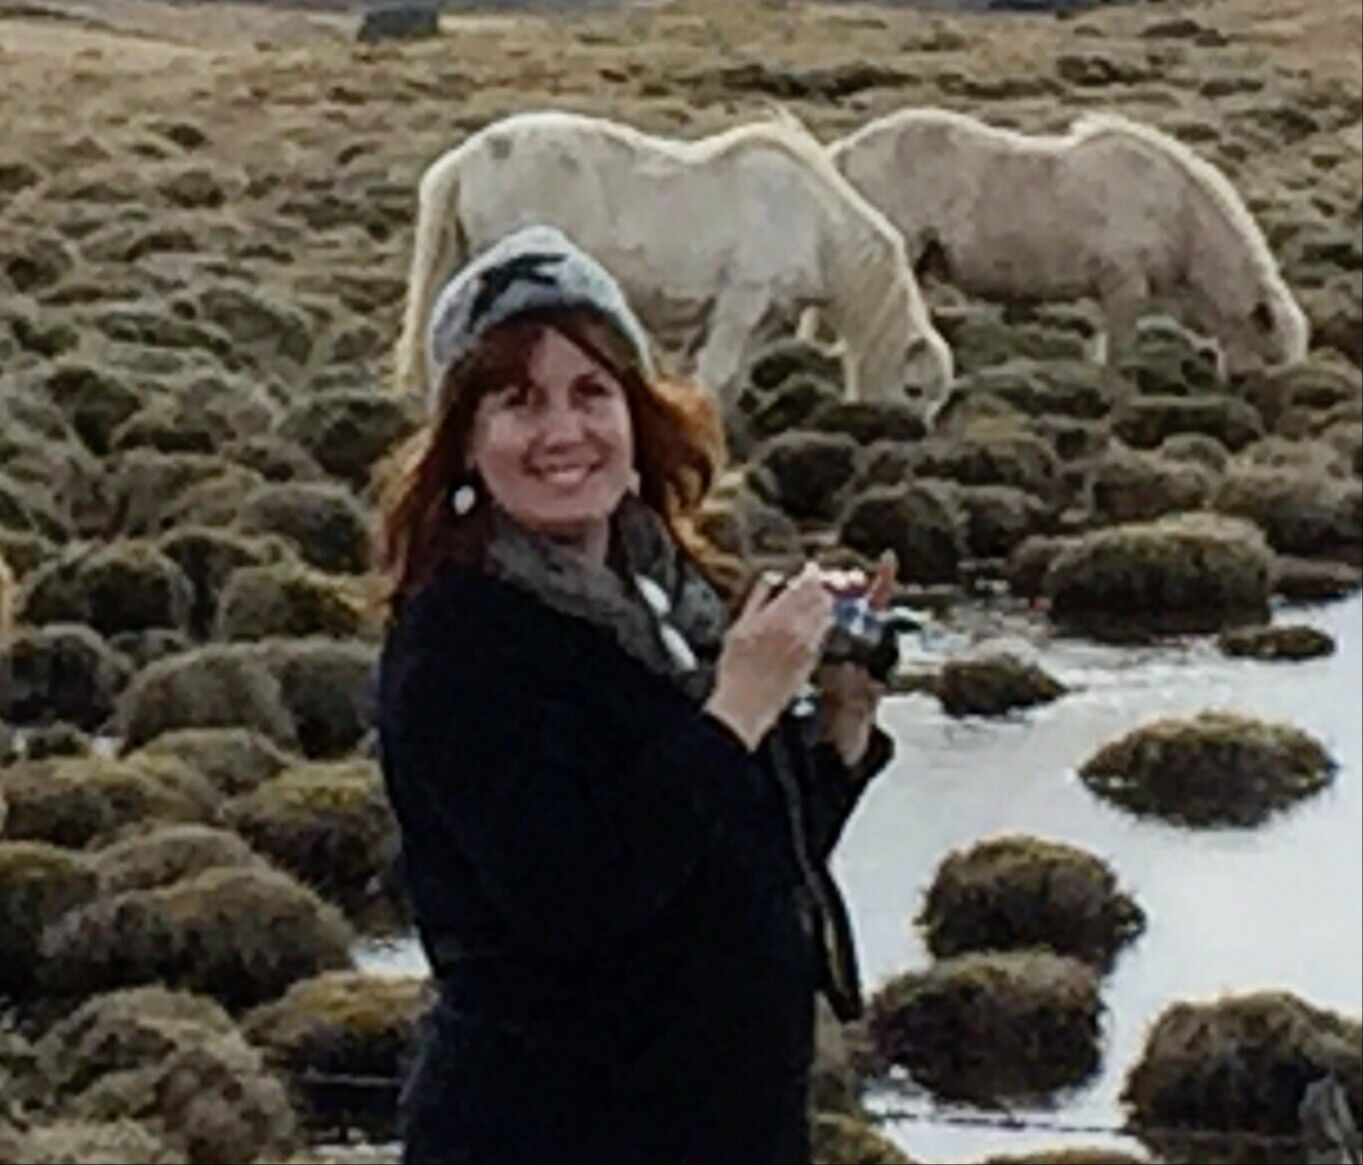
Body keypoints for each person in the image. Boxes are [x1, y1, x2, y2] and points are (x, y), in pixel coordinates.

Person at [373, 224, 897, 1165]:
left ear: (635, 411)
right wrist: (737, 707)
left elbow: (735, 863)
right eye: (518, 401)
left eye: (591, 392)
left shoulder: (671, 595)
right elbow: (574, 900)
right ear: (464, 442)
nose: (563, 432)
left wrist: (837, 726)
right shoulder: (460, 643)